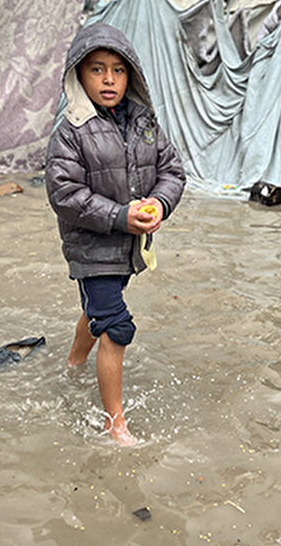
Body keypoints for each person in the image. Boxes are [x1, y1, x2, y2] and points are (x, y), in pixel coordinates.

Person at [45, 22, 186, 445]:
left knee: (98, 311)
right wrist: (120, 216)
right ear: (78, 76)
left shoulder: (143, 123)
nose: (109, 79)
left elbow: (172, 172)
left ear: (132, 76)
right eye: (97, 69)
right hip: (91, 247)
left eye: (119, 70)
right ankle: (116, 426)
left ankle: (73, 362)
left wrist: (159, 204)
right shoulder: (69, 130)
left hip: (127, 248)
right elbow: (64, 193)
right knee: (116, 327)